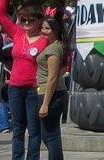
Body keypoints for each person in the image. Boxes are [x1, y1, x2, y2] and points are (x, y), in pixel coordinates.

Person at [0, 0, 49, 160]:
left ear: (40, 20)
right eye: (23, 19)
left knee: (34, 129)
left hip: (35, 88)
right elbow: (0, 15)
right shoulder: (17, 33)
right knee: (18, 128)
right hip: (15, 87)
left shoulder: (45, 39)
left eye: (30, 19)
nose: (26, 23)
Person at [36, 17, 67, 160]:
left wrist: (45, 104)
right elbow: (62, 70)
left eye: (47, 28)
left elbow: (52, 77)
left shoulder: (54, 48)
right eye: (43, 27)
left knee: (50, 135)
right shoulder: (56, 46)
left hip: (51, 95)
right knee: (49, 135)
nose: (44, 31)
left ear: (56, 30)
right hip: (50, 93)